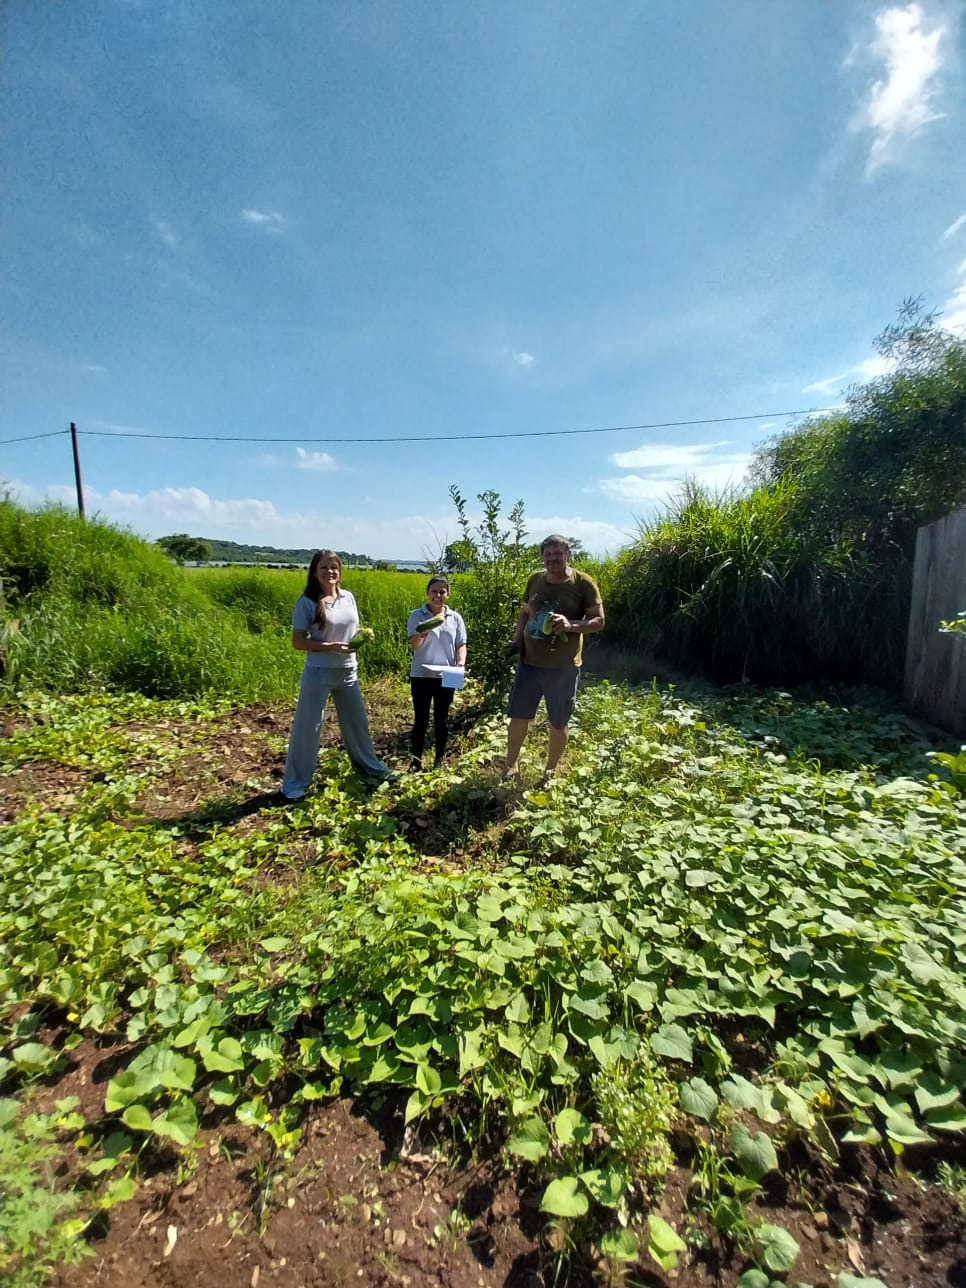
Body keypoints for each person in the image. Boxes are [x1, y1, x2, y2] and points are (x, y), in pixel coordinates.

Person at [281, 550, 393, 800]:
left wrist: (361, 635)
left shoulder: (348, 598)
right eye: (324, 567)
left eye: (334, 567)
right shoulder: (307, 602)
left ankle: (371, 769)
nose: (330, 572)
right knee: (308, 728)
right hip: (318, 672)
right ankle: (296, 784)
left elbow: (349, 628)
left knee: (357, 724)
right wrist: (330, 646)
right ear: (314, 571)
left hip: (348, 670)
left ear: (339, 571)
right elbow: (298, 642)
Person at [502, 535, 604, 782]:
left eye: (558, 554)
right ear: (542, 558)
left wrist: (571, 625)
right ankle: (511, 764)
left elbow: (599, 621)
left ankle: (550, 770)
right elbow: (526, 612)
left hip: (563, 667)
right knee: (519, 715)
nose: (552, 560)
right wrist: (516, 640)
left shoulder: (583, 583)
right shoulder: (535, 580)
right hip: (529, 662)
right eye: (547, 555)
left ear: (568, 555)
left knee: (558, 720)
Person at [406, 576, 467, 770]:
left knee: (442, 719)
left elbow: (461, 644)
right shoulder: (417, 615)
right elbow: (415, 646)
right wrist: (424, 630)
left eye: (442, 592)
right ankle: (415, 761)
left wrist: (460, 663)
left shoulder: (455, 617)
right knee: (421, 719)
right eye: (434, 591)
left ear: (448, 594)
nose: (438, 595)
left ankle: (439, 760)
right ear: (427, 593)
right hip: (421, 674)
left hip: (448, 674)